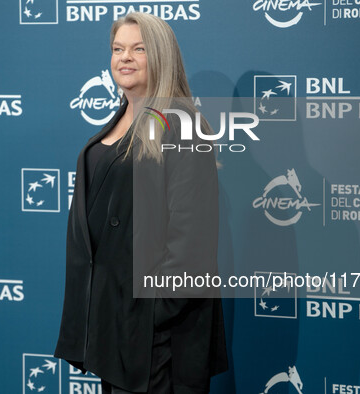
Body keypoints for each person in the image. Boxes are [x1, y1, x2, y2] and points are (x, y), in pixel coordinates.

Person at [54, 12, 228, 394]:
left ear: (161, 56)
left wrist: (152, 313)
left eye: (138, 49)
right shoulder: (118, 122)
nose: (124, 58)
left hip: (158, 341)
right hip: (113, 332)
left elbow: (191, 241)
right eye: (117, 49)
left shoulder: (180, 125)